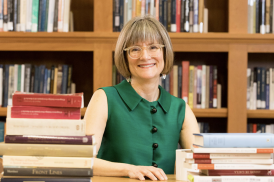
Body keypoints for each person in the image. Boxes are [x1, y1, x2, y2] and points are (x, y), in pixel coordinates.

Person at [84, 15, 199, 181]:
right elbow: (83, 161)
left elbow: (201, 164)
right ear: (125, 56)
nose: (145, 56)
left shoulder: (181, 108)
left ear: (165, 53)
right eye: (135, 49)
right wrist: (129, 170)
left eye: (153, 47)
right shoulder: (103, 98)